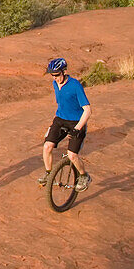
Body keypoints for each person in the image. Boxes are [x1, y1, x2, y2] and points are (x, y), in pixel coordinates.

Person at [38, 58, 92, 191]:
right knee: (47, 146)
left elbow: (88, 110)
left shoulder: (75, 86)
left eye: (57, 75)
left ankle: (84, 176)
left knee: (72, 155)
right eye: (52, 75)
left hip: (76, 122)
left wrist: (77, 128)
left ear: (64, 71)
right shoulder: (55, 84)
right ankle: (49, 174)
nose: (55, 78)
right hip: (60, 119)